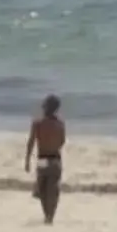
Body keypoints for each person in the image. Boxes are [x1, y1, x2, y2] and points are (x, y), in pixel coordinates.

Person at [24, 96, 68, 224]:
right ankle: (50, 216)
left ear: (45, 107)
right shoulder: (60, 124)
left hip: (42, 158)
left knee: (42, 189)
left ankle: (46, 215)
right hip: (55, 158)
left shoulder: (37, 123)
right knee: (53, 189)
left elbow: (31, 142)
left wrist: (27, 159)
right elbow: (62, 141)